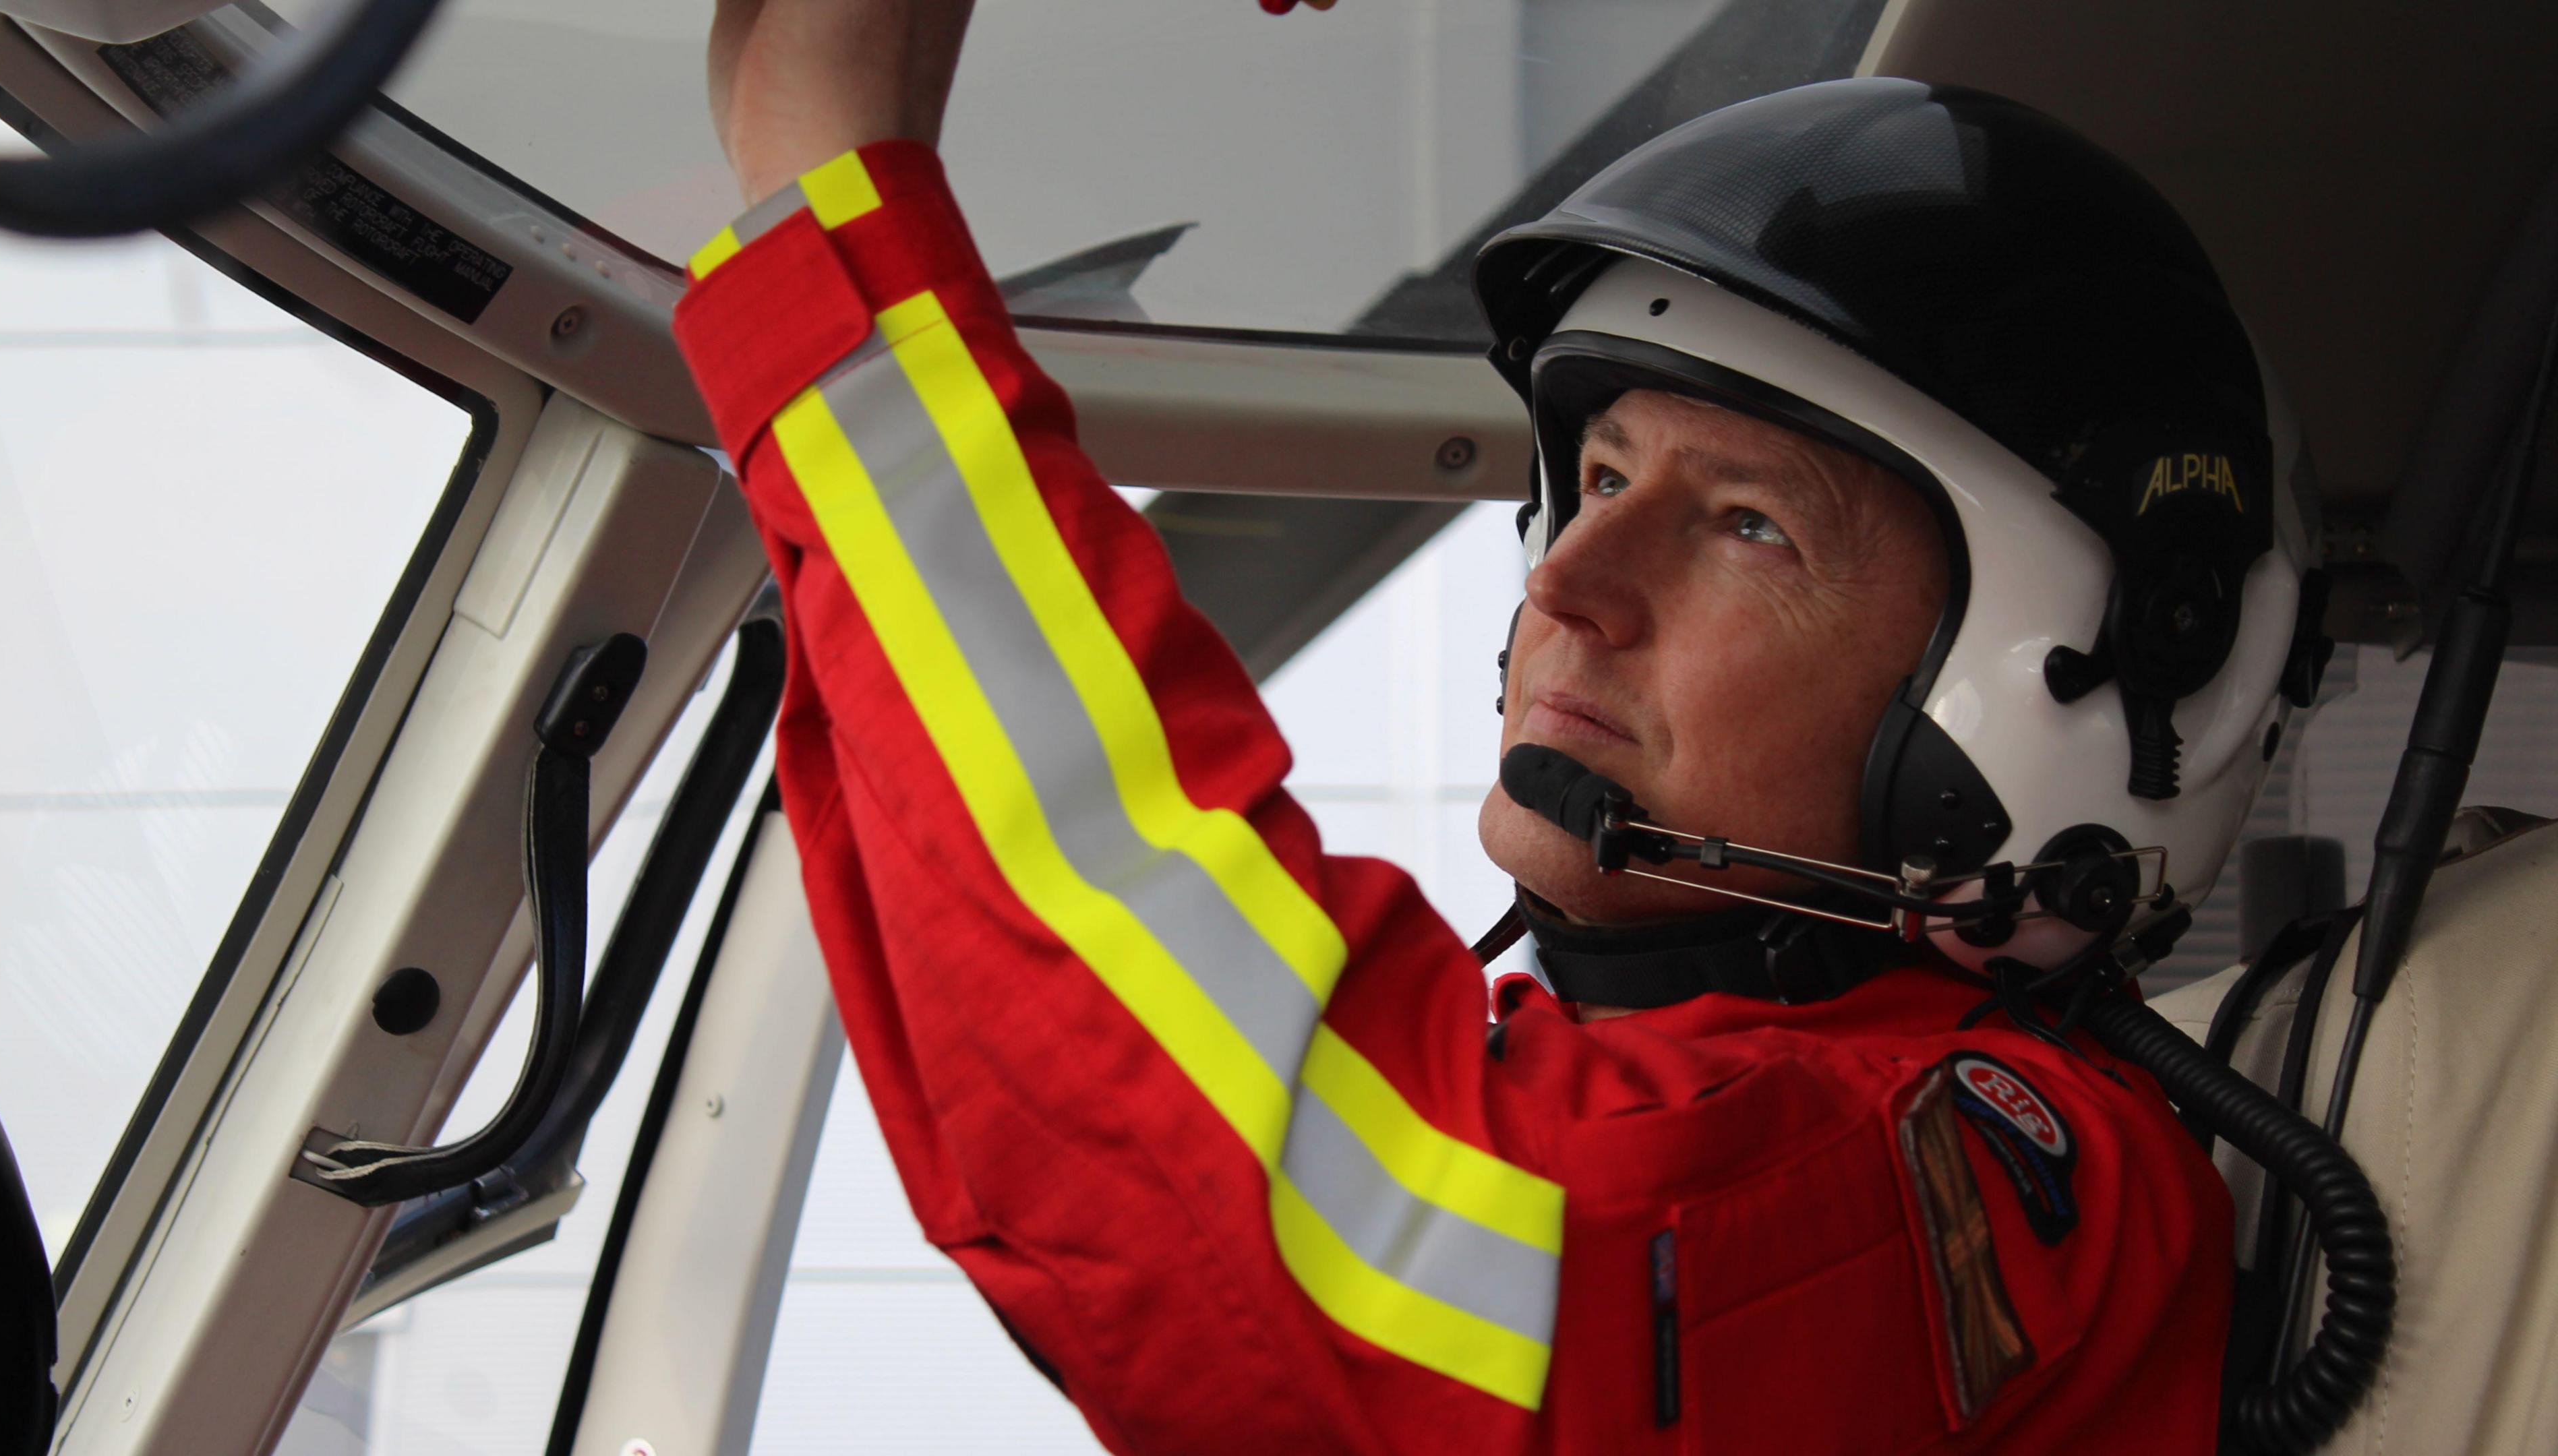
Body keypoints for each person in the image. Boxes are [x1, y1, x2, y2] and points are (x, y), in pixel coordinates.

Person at [675, 1, 2328, 1449]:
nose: (1574, 582)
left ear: (2061, 674)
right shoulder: (1616, 1066)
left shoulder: (2044, 1187)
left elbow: (1320, 1252)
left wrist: (836, 224)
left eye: (1750, 521)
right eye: (1599, 478)